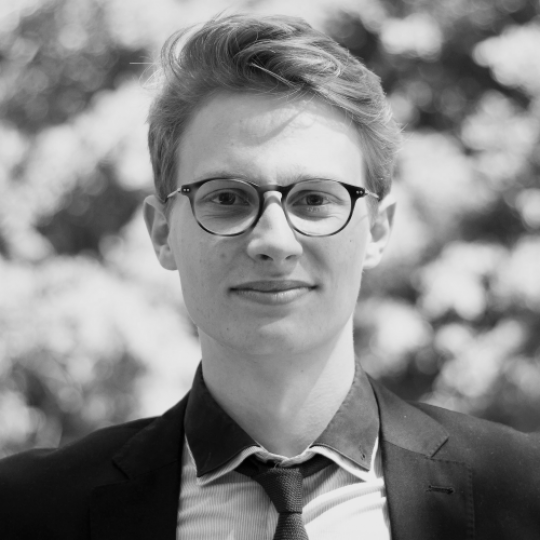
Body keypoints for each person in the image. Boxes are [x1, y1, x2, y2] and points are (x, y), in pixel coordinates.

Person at [1, 13, 539, 540]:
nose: (274, 241)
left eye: (315, 199)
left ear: (377, 229)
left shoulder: (524, 493)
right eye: (227, 198)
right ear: (163, 232)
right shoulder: (26, 511)